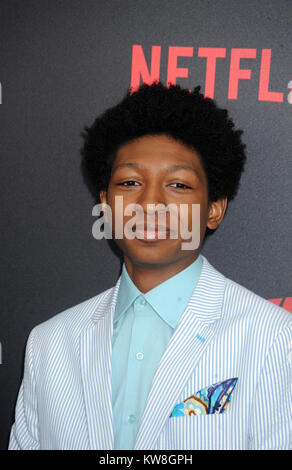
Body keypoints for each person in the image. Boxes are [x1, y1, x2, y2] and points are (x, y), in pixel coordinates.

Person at [9, 82, 291, 450]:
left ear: (214, 209)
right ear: (107, 203)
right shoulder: (49, 344)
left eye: (177, 184)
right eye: (130, 182)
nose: (151, 203)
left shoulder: (274, 339)